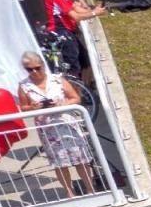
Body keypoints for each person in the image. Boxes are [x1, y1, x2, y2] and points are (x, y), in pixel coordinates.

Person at [17, 50, 97, 198]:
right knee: (59, 163)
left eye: (37, 68)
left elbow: (76, 98)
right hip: (47, 128)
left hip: (67, 123)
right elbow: (23, 107)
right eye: (30, 69)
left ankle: (90, 189)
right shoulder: (24, 86)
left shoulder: (58, 80)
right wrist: (33, 107)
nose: (34, 72)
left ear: (43, 65)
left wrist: (63, 104)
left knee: (80, 158)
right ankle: (69, 192)